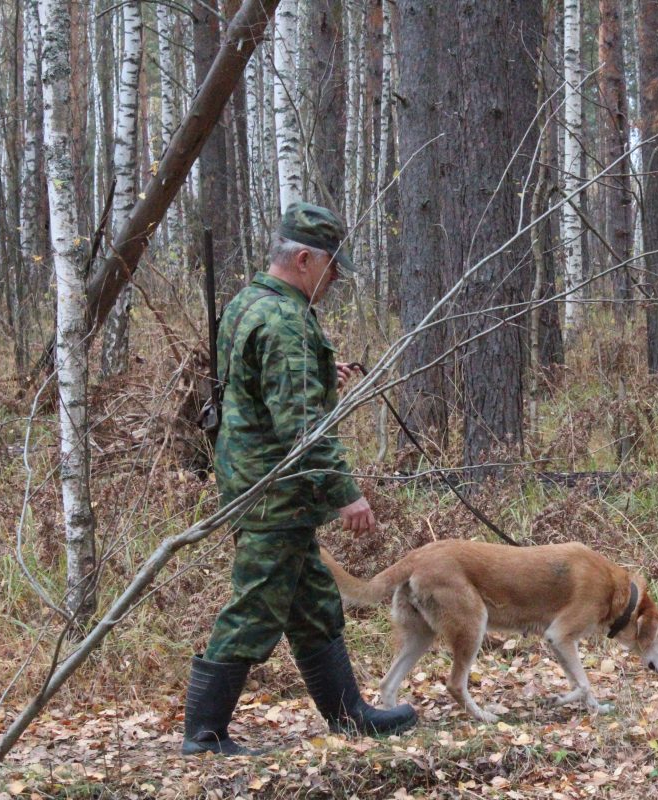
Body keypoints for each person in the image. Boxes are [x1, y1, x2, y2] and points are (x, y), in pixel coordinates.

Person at [181, 202, 416, 756]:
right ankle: (204, 734)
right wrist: (346, 494)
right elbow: (302, 428)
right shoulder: (284, 319)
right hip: (274, 492)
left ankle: (350, 715)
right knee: (257, 606)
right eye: (333, 268)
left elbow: (258, 385)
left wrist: (317, 371)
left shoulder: (250, 302)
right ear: (305, 259)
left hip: (256, 481)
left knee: (312, 601)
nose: (335, 280)